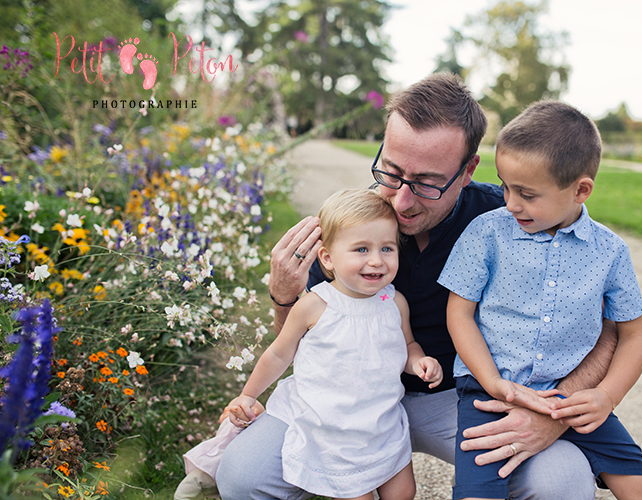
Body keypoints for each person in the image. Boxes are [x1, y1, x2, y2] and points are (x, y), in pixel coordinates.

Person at [217, 73, 615, 499]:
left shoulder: (514, 221)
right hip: (343, 400)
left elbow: (610, 327)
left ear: (467, 171)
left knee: (563, 480)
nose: (401, 201)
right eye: (390, 171)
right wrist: (282, 296)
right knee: (243, 477)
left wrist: (554, 415)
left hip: (460, 399)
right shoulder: (352, 224)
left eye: (427, 182)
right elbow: (298, 342)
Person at [439, 100, 642, 500]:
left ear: (580, 190)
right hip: (490, 392)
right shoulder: (487, 233)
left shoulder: (610, 252)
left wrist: (606, 395)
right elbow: (459, 312)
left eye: (526, 193)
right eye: (505, 186)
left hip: (572, 398)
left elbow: (635, 336)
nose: (509, 203)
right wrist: (493, 383)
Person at [220, 189, 443, 500]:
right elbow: (279, 353)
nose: (377, 261)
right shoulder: (316, 305)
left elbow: (407, 343)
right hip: (334, 429)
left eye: (387, 248)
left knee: (404, 492)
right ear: (327, 257)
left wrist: (418, 361)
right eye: (361, 249)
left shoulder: (394, 301)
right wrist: (248, 394)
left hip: (381, 421)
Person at [174, 403, 264, 500]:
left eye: (232, 407)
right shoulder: (243, 433)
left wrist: (242, 415)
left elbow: (241, 423)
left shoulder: (236, 425)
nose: (226, 409)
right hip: (226, 475)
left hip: (209, 470)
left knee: (185, 491)